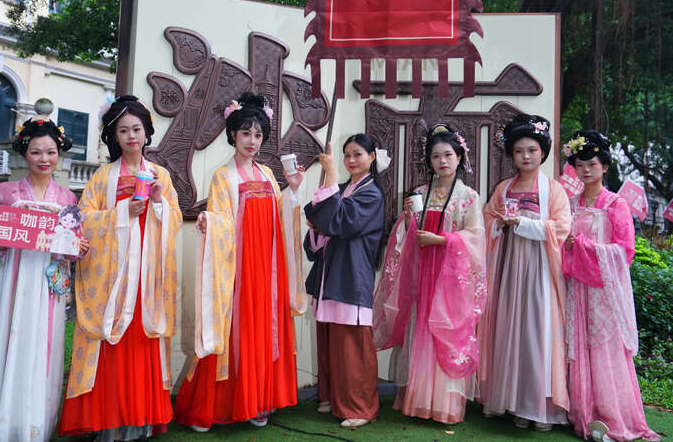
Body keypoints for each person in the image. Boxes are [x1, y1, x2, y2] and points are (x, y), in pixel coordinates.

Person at [174, 92, 307, 431]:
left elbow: (281, 219)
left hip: (268, 270)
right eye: (246, 133)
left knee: (263, 332)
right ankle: (214, 406)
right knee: (234, 333)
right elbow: (221, 218)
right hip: (237, 270)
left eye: (258, 134)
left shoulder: (268, 174)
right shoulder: (223, 176)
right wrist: (210, 222)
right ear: (233, 134)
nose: (252, 140)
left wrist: (292, 190)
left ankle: (257, 401)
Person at [59, 95, 182, 441]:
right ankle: (108, 420)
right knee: (111, 344)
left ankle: (140, 419)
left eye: (137, 129)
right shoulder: (102, 177)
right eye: (124, 130)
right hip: (112, 277)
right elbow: (84, 218)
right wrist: (121, 214)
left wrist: (158, 202)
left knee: (142, 341)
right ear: (114, 136)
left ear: (147, 132)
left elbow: (174, 221)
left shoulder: (160, 175)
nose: (131, 136)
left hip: (146, 277)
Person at [0, 117, 88, 442]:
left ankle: (34, 424)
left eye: (51, 152)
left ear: (59, 154)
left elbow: (71, 244)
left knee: (42, 344)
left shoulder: (67, 199)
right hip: (12, 278)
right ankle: (1, 422)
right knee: (8, 340)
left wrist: (78, 247)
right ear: (24, 153)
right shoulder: (5, 192)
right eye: (36, 151)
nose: (44, 159)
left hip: (47, 283)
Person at [373, 124, 486, 424]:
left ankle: (444, 404)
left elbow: (476, 237)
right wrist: (408, 219)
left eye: (448, 154)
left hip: (450, 277)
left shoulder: (469, 197)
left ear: (460, 157)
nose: (442, 161)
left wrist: (443, 240)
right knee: (420, 328)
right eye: (436, 156)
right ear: (429, 161)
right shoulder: (421, 194)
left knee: (444, 330)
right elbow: (405, 236)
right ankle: (418, 399)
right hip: (422, 273)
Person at [562, 131, 660, 442]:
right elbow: (562, 244)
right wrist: (567, 246)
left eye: (592, 164)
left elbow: (624, 251)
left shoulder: (616, 204)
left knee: (606, 349)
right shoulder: (570, 204)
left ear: (605, 167)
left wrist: (585, 246)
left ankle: (612, 416)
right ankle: (582, 413)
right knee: (578, 347)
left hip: (604, 290)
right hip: (576, 286)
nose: (585, 170)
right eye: (580, 165)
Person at [478, 114, 571, 431]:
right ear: (511, 154)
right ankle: (514, 403)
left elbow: (562, 227)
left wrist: (524, 224)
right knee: (508, 331)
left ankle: (538, 406)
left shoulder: (554, 190)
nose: (526, 156)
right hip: (508, 268)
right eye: (519, 151)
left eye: (532, 150)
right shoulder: (504, 188)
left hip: (539, 270)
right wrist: (499, 225)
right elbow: (486, 221)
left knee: (536, 333)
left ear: (543, 152)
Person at [304, 134, 386, 428]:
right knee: (331, 341)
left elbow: (339, 221)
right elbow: (318, 218)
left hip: (351, 275)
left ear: (372, 157)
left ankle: (359, 407)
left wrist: (330, 174)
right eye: (347, 155)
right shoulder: (343, 189)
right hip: (330, 273)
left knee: (352, 346)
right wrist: (319, 221)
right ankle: (331, 396)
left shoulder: (371, 194)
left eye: (358, 154)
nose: (351, 160)